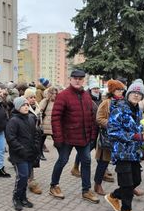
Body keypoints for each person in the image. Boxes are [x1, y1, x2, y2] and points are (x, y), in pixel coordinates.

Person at [50, 69, 99, 203]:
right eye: (75, 78)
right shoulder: (63, 95)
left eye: (80, 79)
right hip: (66, 137)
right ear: (70, 79)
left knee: (87, 162)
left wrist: (92, 136)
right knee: (63, 160)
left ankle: (86, 190)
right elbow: (55, 118)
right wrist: (58, 138)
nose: (77, 81)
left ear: (83, 81)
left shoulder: (86, 96)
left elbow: (91, 117)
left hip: (83, 138)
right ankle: (54, 185)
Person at [105, 82, 144, 211]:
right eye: (134, 92)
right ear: (128, 94)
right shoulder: (118, 109)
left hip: (134, 152)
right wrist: (132, 136)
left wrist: (143, 147)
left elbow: (140, 130)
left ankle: (114, 196)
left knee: (136, 180)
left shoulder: (139, 111)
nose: (136, 95)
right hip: (122, 152)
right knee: (127, 184)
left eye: (139, 93)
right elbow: (111, 131)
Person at [6, 97, 39, 211]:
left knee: (27, 177)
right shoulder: (13, 120)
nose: (26, 107)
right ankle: (16, 198)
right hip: (19, 154)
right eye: (23, 105)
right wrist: (21, 150)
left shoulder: (31, 118)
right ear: (17, 107)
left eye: (26, 105)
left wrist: (35, 147)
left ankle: (23, 198)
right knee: (22, 176)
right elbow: (11, 138)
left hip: (30, 153)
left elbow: (35, 134)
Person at [94, 79, 125, 195]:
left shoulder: (124, 102)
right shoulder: (106, 102)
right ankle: (97, 184)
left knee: (123, 163)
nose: (120, 92)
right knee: (103, 163)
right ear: (112, 91)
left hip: (120, 138)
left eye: (121, 89)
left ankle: (129, 187)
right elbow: (99, 118)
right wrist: (112, 124)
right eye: (118, 90)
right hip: (107, 137)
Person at [71, 79, 102, 178]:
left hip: (99, 129)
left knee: (100, 150)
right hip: (89, 129)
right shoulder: (86, 98)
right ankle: (75, 167)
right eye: (94, 88)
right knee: (85, 151)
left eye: (97, 88)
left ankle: (103, 170)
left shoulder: (101, 99)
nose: (96, 90)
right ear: (90, 89)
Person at [23, 88, 43, 194]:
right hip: (26, 138)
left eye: (34, 97)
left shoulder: (37, 108)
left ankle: (28, 179)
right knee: (28, 161)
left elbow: (39, 123)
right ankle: (30, 181)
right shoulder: (24, 108)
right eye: (31, 97)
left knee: (32, 160)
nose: (33, 99)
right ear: (26, 98)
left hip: (35, 137)